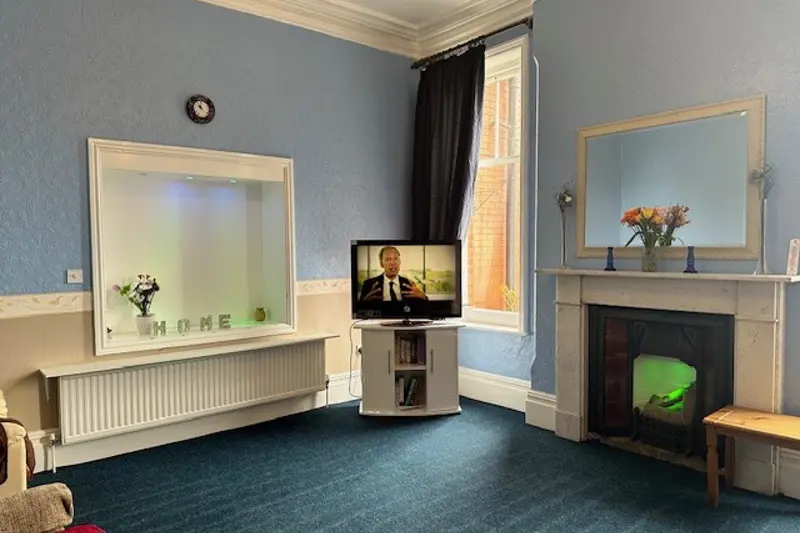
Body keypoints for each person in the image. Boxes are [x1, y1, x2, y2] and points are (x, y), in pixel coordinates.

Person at [359, 246, 428, 302]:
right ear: (381, 263)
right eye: (388, 259)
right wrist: (364, 303)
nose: (393, 263)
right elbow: (360, 310)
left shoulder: (409, 284)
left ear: (400, 262)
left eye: (396, 259)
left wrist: (424, 297)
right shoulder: (368, 284)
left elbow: (419, 310)